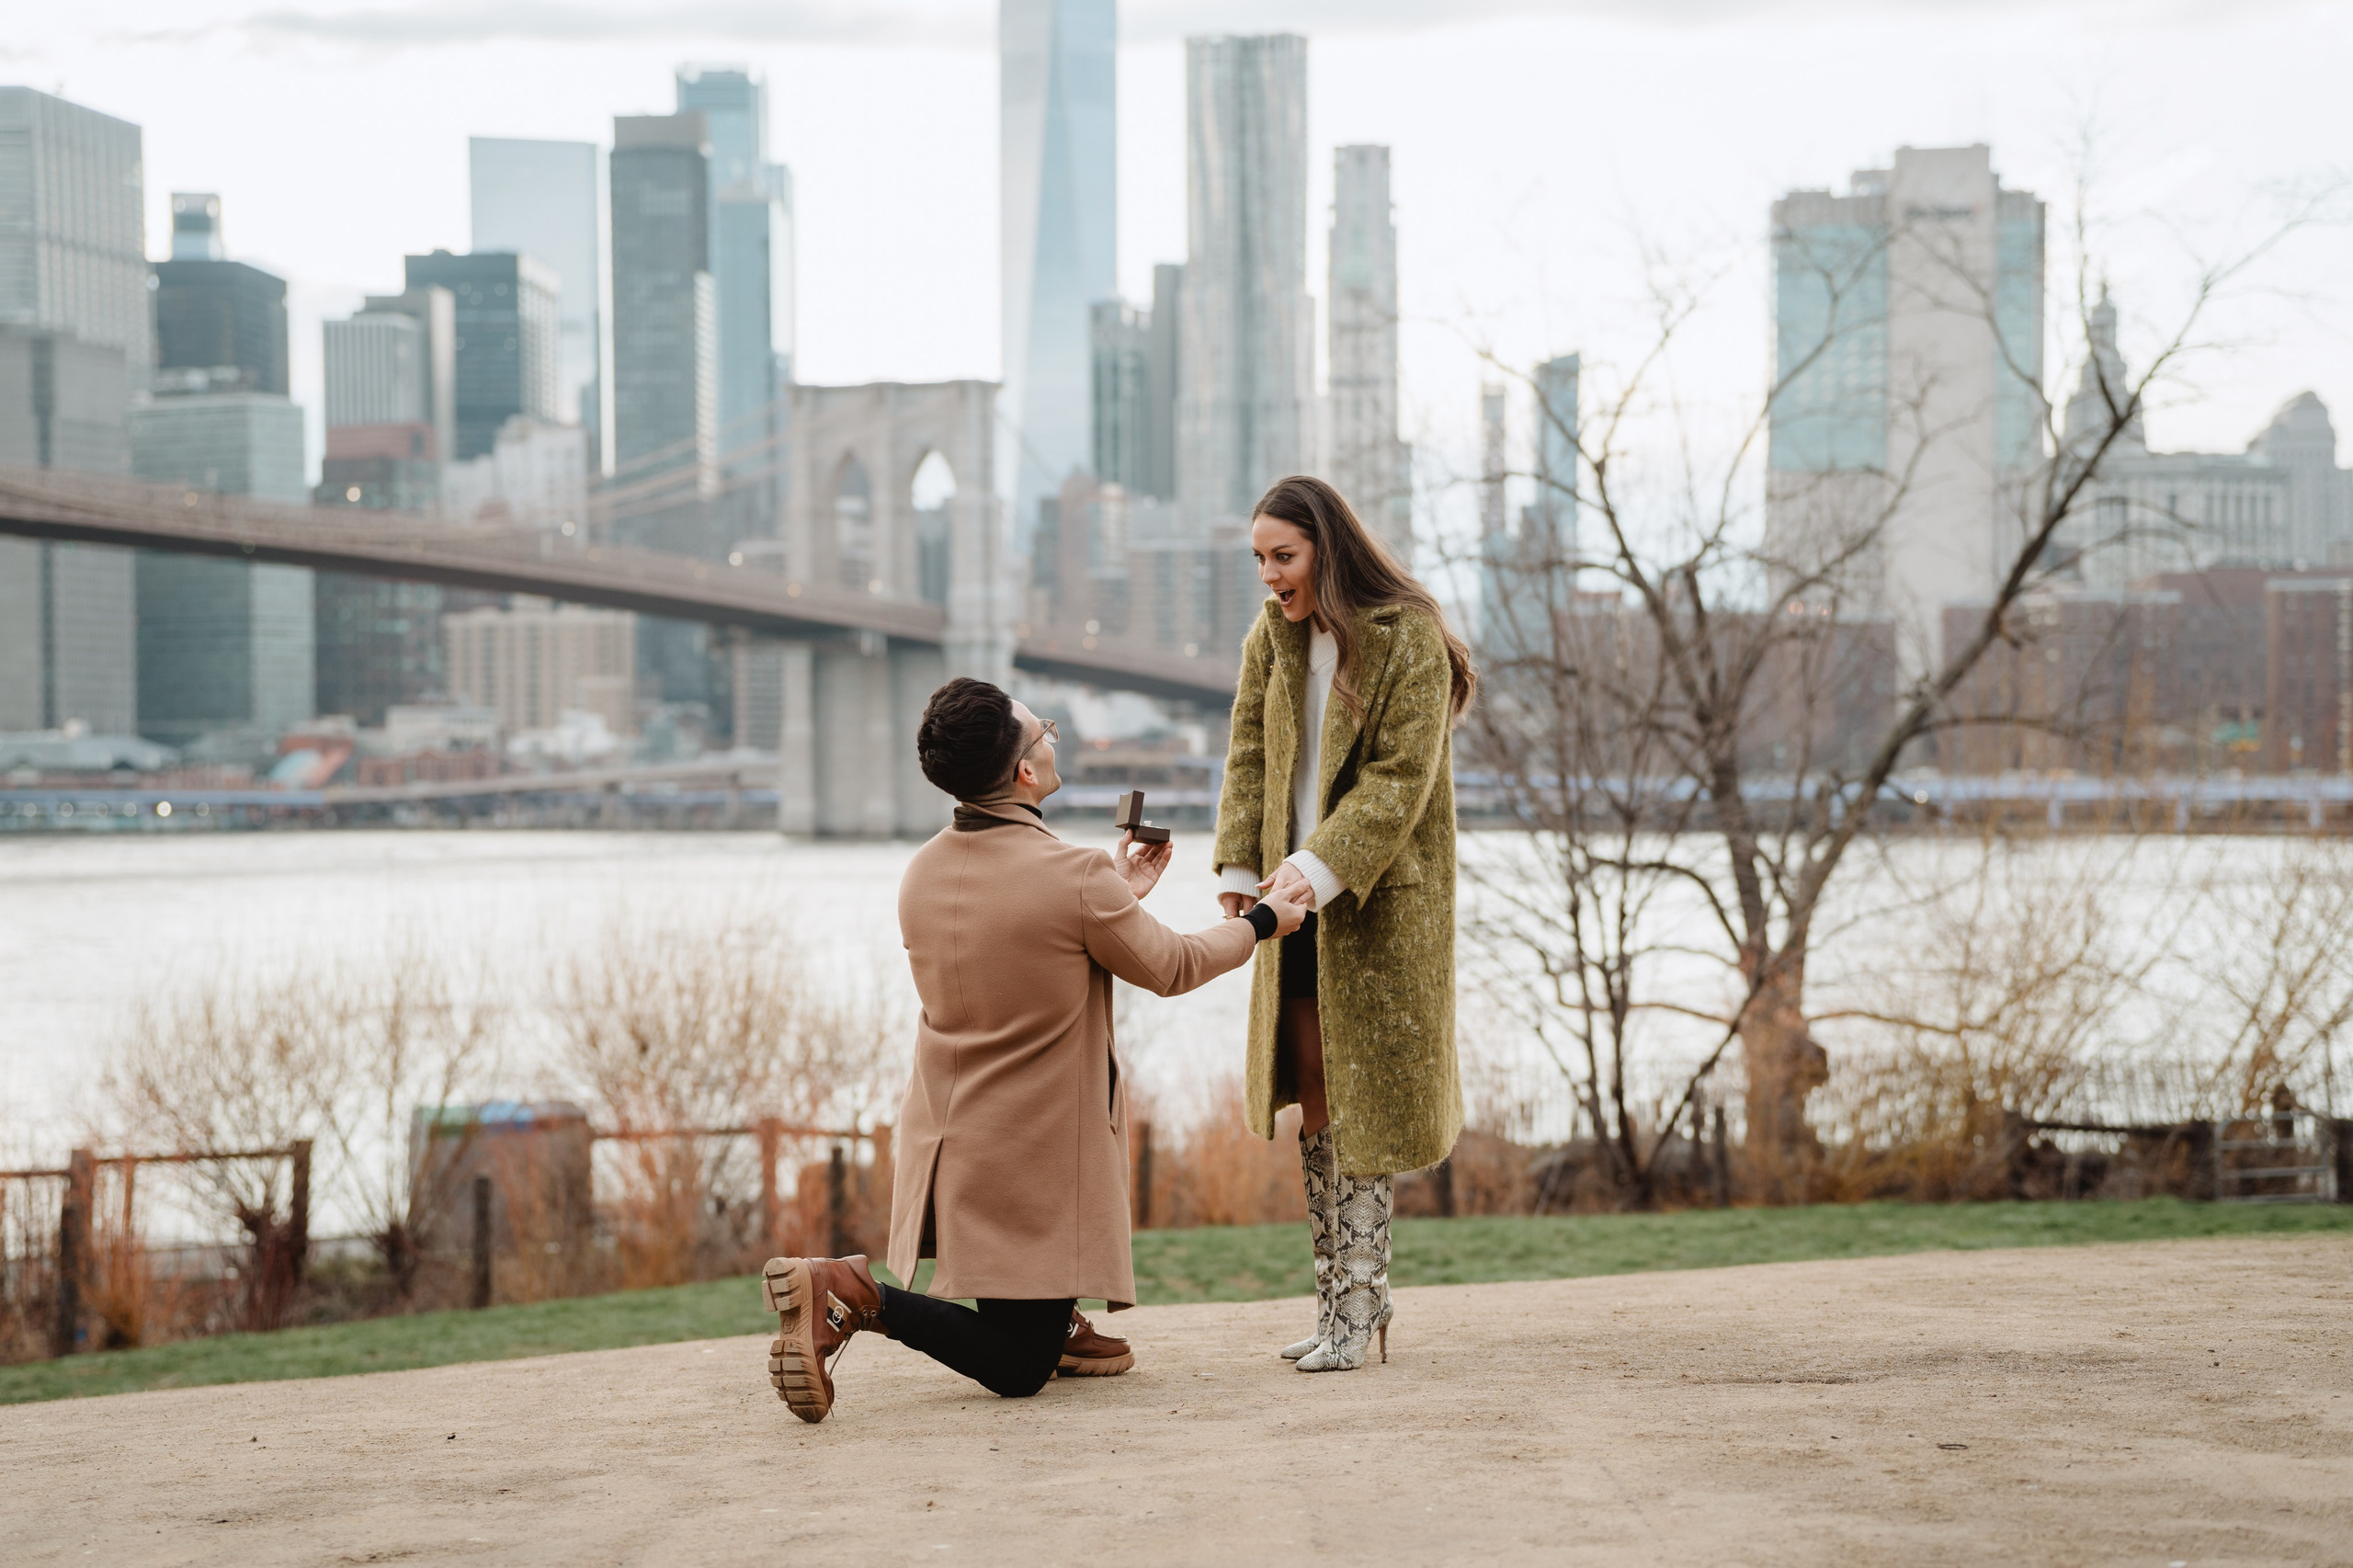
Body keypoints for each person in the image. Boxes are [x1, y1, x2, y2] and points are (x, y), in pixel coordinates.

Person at [761, 677, 1311, 1423]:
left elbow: (1018, 946)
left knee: (1040, 1337)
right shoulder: (1075, 876)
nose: (1052, 739)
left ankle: (1060, 1327)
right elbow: (1173, 966)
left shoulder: (922, 871)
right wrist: (1263, 922)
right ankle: (853, 1294)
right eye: (1043, 731)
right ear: (1025, 771)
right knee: (1018, 1368)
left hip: (954, 1144)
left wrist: (1118, 897)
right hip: (1032, 1155)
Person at [1212, 474, 1477, 1372]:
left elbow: (1399, 782)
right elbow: (1247, 751)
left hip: (1369, 907)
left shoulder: (1410, 641)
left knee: (1357, 1102)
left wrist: (1313, 870)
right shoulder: (1272, 639)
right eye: (1258, 558)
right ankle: (1339, 1305)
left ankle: (1361, 1304)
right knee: (1316, 1101)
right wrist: (1239, 872)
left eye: (1281, 556)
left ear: (1328, 548)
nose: (1268, 575)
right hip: (1289, 907)